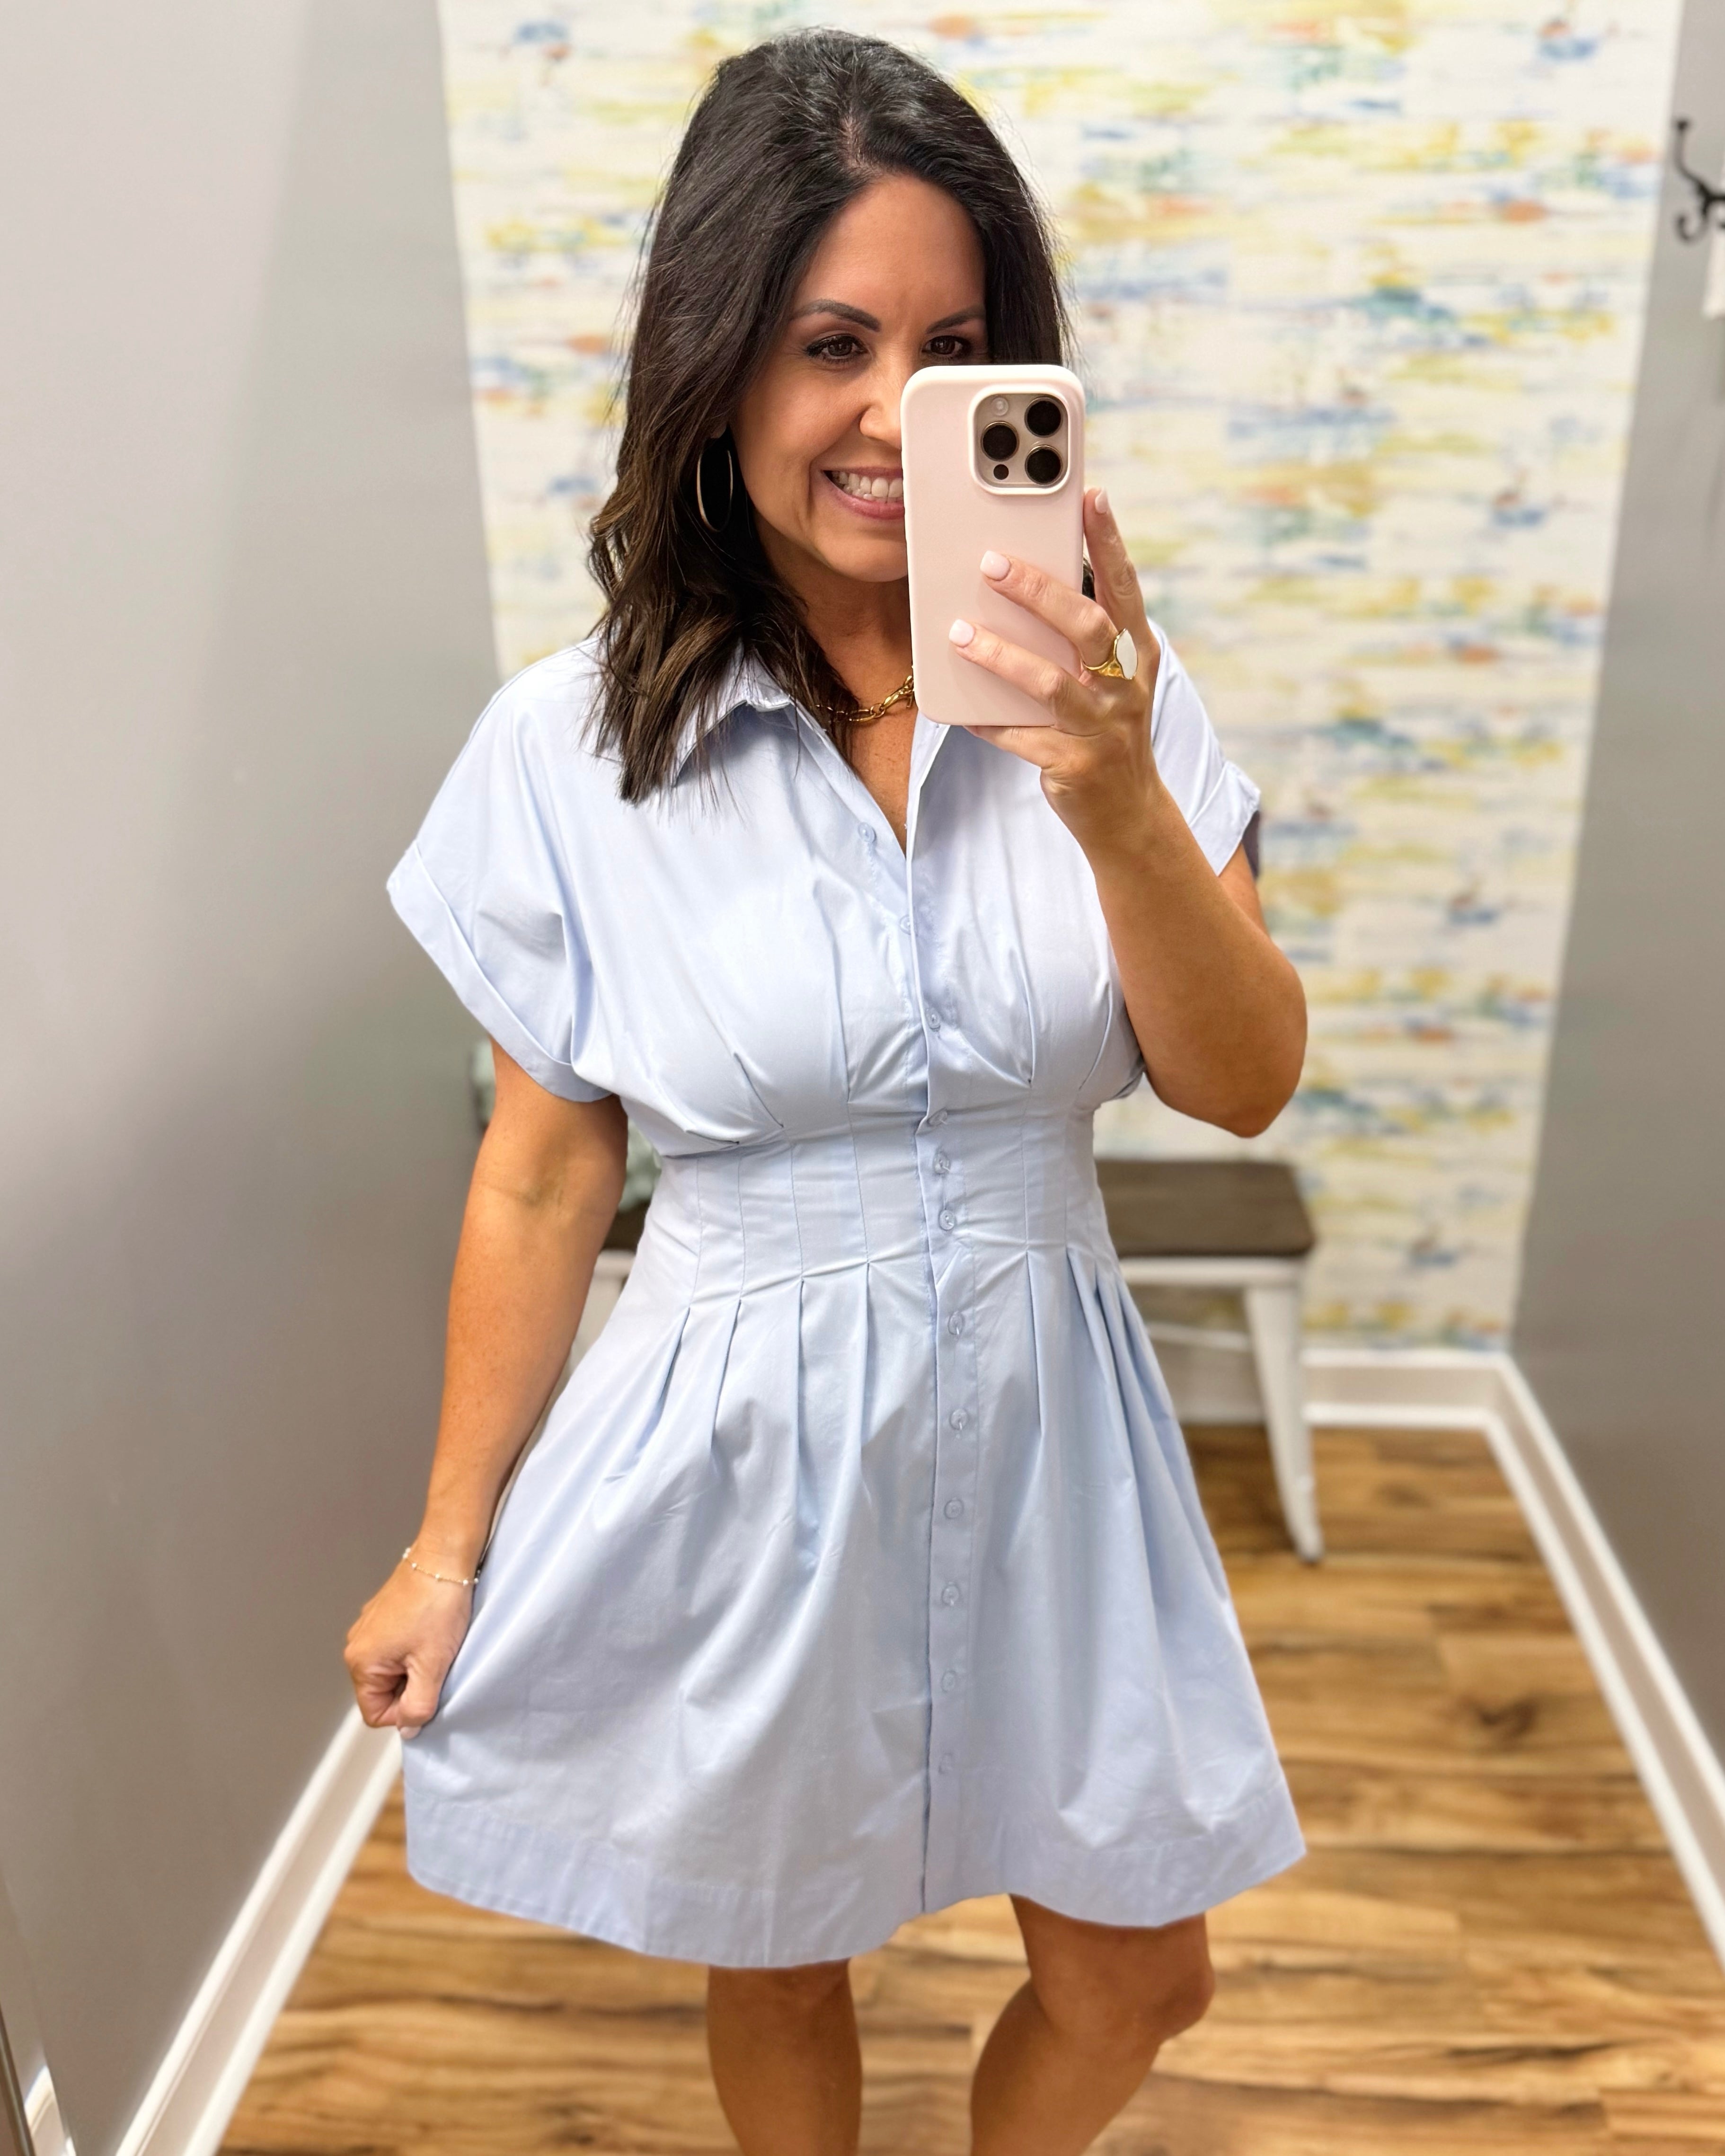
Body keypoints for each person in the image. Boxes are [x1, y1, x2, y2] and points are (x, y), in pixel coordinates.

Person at [344, 28, 1307, 2156]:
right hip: (742, 1435)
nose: (891, 414)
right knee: (778, 1940)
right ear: (721, 368)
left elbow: (1240, 1084)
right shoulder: (570, 744)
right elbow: (539, 1170)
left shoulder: (1116, 704)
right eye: (829, 341)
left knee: (1144, 1969)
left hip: (1055, 1414)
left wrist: (1117, 789)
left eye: (954, 349)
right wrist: (443, 1548)